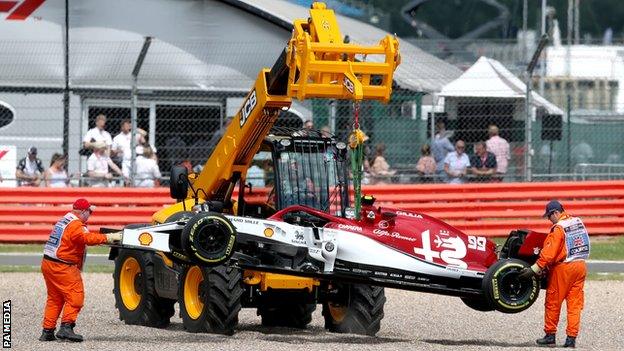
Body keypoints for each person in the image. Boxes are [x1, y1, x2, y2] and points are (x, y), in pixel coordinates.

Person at [39, 198, 122, 342]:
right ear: (83, 211)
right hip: (63, 265)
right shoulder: (76, 225)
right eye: (89, 212)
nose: (90, 215)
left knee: (55, 299)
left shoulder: (65, 220)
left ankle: (47, 331)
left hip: (48, 263)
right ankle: (66, 328)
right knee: (76, 296)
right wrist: (108, 238)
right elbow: (85, 238)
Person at [518, 200, 590, 348]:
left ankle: (550, 335)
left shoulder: (558, 228)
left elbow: (549, 254)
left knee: (553, 302)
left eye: (549, 216)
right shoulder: (576, 222)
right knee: (575, 305)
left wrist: (534, 269)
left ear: (555, 213)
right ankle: (571, 339)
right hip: (580, 266)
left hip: (564, 268)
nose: (548, 220)